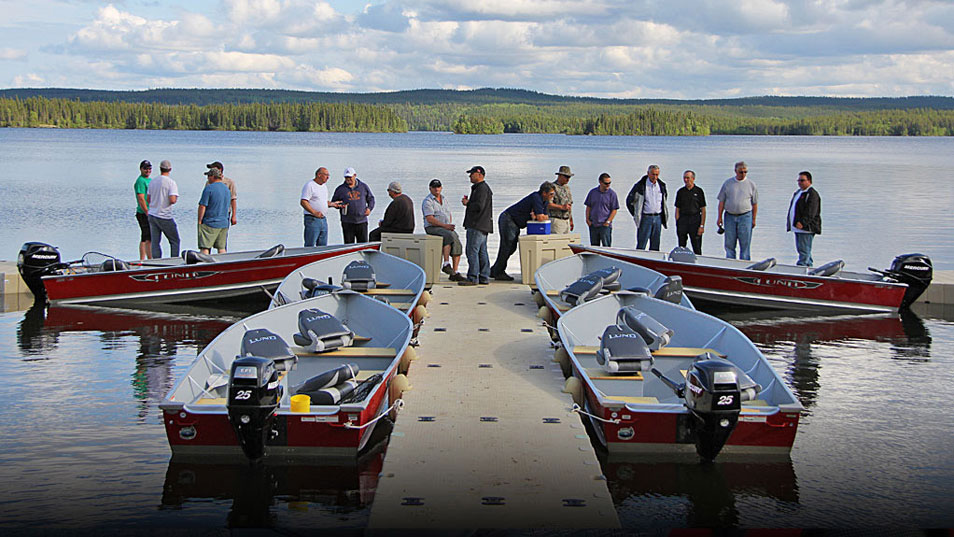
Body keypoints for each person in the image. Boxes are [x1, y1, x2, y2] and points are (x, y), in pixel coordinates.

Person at [490, 182, 555, 281]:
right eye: (551, 194)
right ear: (544, 193)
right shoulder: (536, 197)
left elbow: (544, 217)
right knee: (507, 246)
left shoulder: (545, 202)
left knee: (512, 247)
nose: (552, 196)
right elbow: (541, 218)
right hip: (509, 219)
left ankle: (495, 270)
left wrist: (539, 216)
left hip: (515, 222)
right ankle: (498, 272)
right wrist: (538, 216)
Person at [422, 179, 465, 281]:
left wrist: (448, 224)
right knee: (448, 235)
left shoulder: (444, 199)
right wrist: (445, 226)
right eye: (434, 187)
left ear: (441, 188)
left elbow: (448, 214)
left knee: (456, 239)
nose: (436, 189)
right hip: (432, 227)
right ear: (430, 188)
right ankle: (446, 263)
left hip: (445, 226)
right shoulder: (428, 201)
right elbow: (430, 219)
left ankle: (455, 272)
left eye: (438, 187)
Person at [716, 161, 758, 260]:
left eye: (745, 172)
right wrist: (719, 217)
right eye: (741, 172)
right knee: (729, 244)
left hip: (745, 216)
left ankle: (744, 265)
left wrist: (754, 219)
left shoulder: (751, 184)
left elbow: (755, 203)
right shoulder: (728, 183)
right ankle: (730, 263)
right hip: (730, 216)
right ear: (735, 171)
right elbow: (721, 201)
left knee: (745, 244)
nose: (743, 174)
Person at [459, 166, 493, 286]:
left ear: (479, 175)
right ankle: (483, 276)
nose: (470, 176)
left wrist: (468, 203)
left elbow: (479, 206)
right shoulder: (481, 188)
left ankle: (473, 277)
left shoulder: (482, 189)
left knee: (472, 251)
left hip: (477, 225)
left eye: (472, 174)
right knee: (482, 251)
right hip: (483, 225)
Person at [626, 164, 668, 251]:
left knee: (655, 245)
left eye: (657, 174)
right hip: (645, 218)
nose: (655, 177)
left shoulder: (661, 185)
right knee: (641, 244)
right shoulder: (640, 186)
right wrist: (636, 214)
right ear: (648, 173)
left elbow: (664, 200)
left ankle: (654, 262)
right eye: (653, 174)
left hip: (657, 218)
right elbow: (629, 201)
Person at [331, 167, 375, 243]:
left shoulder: (363, 187)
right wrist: (339, 205)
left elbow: (371, 199)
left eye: (350, 177)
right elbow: (334, 202)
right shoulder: (340, 189)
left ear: (355, 175)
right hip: (347, 222)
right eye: (346, 177)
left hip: (361, 221)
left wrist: (369, 209)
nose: (348, 179)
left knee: (363, 244)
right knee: (348, 245)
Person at [146, 160, 180, 258]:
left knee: (155, 242)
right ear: (170, 169)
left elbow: (148, 199)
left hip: (152, 215)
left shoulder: (153, 181)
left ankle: (156, 261)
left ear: (160, 168)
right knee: (175, 241)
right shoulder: (171, 183)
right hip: (165, 216)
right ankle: (174, 262)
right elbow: (172, 200)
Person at [787, 171, 821, 267]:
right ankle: (808, 266)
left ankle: (803, 266)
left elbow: (812, 211)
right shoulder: (799, 192)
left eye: (802, 180)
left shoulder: (812, 194)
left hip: (806, 228)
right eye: (798, 180)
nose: (799, 182)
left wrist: (803, 223)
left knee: (804, 249)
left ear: (809, 181)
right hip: (797, 227)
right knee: (802, 249)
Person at [300, 167, 342, 247]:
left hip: (323, 219)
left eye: (328, 175)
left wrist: (333, 204)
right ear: (319, 175)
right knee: (310, 245)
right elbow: (303, 202)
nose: (328, 177)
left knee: (323, 246)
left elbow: (322, 202)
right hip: (312, 219)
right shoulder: (310, 185)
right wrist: (314, 212)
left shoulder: (324, 187)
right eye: (326, 175)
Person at [197, 167, 231, 254]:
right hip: (224, 223)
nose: (208, 178)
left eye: (209, 176)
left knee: (205, 247)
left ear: (213, 176)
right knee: (222, 248)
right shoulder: (226, 189)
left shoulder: (209, 188)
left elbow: (202, 206)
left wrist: (200, 221)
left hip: (210, 222)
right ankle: (224, 265)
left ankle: (204, 266)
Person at [673, 170, 706, 255]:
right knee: (681, 246)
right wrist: (678, 222)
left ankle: (699, 265)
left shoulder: (699, 191)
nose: (686, 180)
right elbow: (677, 209)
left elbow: (703, 210)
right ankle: (681, 263)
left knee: (697, 247)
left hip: (695, 220)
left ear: (693, 179)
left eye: (688, 178)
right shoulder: (680, 192)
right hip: (683, 220)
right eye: (684, 178)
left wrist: (701, 226)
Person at [584, 173, 619, 247]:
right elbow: (588, 206)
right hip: (593, 225)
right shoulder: (592, 192)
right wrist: (587, 219)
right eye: (606, 183)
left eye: (609, 183)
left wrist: (608, 222)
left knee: (607, 247)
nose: (608, 185)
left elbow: (614, 210)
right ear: (600, 182)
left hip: (605, 226)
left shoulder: (612, 194)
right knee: (594, 247)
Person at [206, 162, 237, 226]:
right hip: (211, 213)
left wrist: (234, 216)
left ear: (219, 170)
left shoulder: (229, 182)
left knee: (223, 232)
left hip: (224, 213)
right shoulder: (209, 183)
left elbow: (233, 199)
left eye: (212, 169)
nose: (210, 172)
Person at [134, 160, 152, 260]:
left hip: (151, 211)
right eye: (145, 168)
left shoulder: (149, 180)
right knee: (145, 236)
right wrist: (146, 211)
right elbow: (141, 198)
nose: (148, 170)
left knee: (150, 237)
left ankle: (150, 258)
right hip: (143, 212)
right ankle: (142, 259)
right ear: (141, 169)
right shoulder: (140, 181)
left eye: (149, 168)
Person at [549, 165, 574, 234]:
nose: (568, 179)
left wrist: (571, 219)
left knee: (567, 243)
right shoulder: (552, 187)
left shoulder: (567, 188)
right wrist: (561, 207)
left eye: (569, 177)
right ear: (559, 176)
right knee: (557, 242)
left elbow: (570, 205)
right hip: (556, 219)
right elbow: (548, 204)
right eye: (566, 177)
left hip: (566, 220)